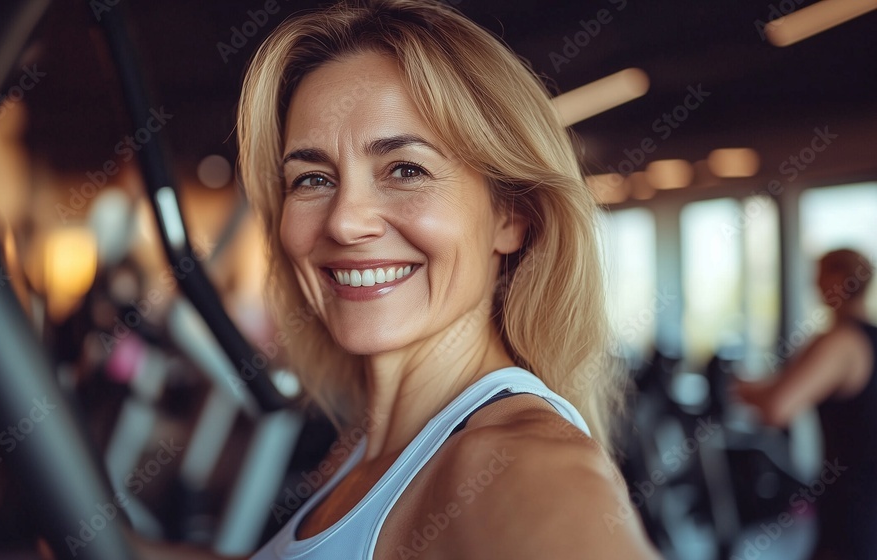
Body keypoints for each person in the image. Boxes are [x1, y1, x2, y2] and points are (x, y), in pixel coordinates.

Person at [140, 0, 657, 557]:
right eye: (312, 178)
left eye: (405, 170)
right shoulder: (374, 447)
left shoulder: (514, 462)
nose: (343, 220)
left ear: (511, 216)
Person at [737, 249, 876, 560]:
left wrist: (741, 392)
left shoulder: (840, 342)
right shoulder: (864, 338)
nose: (814, 284)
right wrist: (747, 386)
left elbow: (777, 407)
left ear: (841, 279)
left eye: (820, 274)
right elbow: (789, 384)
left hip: (854, 499)